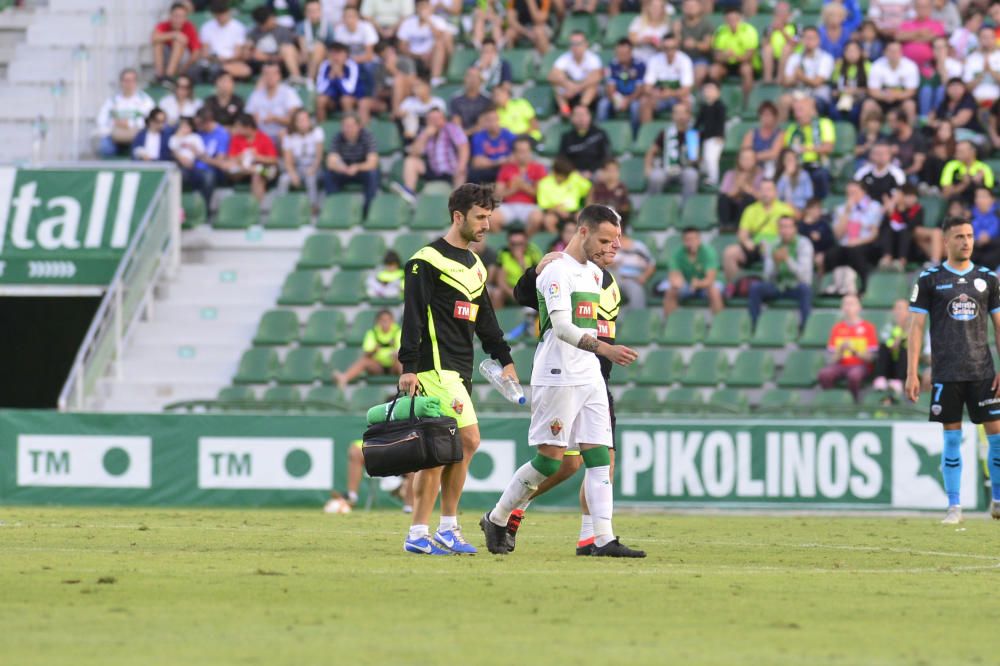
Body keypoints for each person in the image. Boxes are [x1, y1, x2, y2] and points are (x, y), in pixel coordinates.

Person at [480, 204, 644, 558]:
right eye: (604, 239)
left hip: (590, 375)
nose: (609, 248)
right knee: (552, 460)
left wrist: (600, 355)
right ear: (582, 232)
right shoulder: (556, 272)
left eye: (615, 241)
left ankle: (603, 538)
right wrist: (606, 349)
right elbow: (564, 328)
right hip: (559, 374)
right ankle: (498, 517)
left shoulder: (595, 274)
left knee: (599, 457)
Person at [398, 183, 518, 555]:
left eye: (489, 217)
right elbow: (413, 317)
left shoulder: (477, 266)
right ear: (458, 216)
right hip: (434, 368)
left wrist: (507, 360)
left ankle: (426, 533)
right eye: (480, 217)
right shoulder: (426, 261)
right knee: (466, 441)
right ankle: (435, 529)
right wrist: (408, 366)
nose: (487, 224)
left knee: (444, 452)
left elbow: (487, 324)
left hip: (460, 371)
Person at [907, 215, 1000, 524]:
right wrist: (911, 372)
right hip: (946, 372)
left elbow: (999, 328)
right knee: (951, 440)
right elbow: (916, 328)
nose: (966, 241)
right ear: (946, 241)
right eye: (959, 236)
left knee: (997, 439)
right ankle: (954, 507)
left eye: (970, 236)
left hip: (983, 372)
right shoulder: (929, 279)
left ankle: (998, 501)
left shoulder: (988, 279)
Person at [748, 215, 813, 331]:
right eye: (782, 227)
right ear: (778, 229)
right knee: (755, 288)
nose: (785, 230)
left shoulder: (804, 244)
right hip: (777, 285)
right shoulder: (773, 244)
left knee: (805, 289)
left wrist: (787, 259)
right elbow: (767, 276)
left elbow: (804, 277)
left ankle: (805, 328)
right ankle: (754, 327)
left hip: (795, 286)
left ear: (795, 229)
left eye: (788, 227)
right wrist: (776, 264)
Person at [722, 179, 794, 282]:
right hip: (756, 246)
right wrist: (746, 241)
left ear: (775, 192)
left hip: (777, 246)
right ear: (758, 192)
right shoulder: (750, 210)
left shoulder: (785, 209)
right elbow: (742, 233)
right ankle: (735, 287)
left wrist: (774, 244)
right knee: (730, 253)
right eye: (762, 190)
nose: (765, 193)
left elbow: (790, 233)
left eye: (769, 190)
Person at [394, 107, 469, 203]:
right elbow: (414, 152)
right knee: (411, 161)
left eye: (437, 118)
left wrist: (461, 166)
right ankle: (409, 192)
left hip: (451, 170)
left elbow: (463, 147)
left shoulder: (451, 128)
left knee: (462, 171)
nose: (435, 122)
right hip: (434, 170)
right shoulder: (425, 132)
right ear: (427, 121)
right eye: (432, 119)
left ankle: (458, 202)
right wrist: (425, 135)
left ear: (443, 119)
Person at [818, 294, 878, 403]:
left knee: (854, 376)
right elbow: (831, 360)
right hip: (841, 365)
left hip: (861, 365)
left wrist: (854, 351)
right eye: (845, 304)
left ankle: (853, 403)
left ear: (859, 307)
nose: (848, 307)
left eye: (851, 304)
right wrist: (840, 351)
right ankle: (831, 401)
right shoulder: (837, 328)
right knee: (824, 374)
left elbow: (871, 358)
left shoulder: (868, 328)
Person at [661, 226, 724, 317]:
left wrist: (698, 284)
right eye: (688, 240)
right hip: (687, 284)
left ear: (699, 240)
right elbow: (674, 275)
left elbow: (710, 279)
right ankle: (670, 325)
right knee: (671, 291)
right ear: (683, 241)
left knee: (714, 291)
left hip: (706, 285)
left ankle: (720, 324)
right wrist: (678, 282)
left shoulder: (708, 252)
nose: (691, 242)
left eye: (694, 239)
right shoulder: (677, 254)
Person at [325, 113, 379, 216]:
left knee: (372, 174)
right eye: (345, 126)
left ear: (359, 126)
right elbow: (331, 161)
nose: (348, 129)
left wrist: (357, 167)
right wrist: (342, 168)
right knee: (329, 174)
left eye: (351, 125)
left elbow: (372, 162)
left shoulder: (367, 136)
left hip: (361, 169)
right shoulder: (337, 137)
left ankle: (368, 211)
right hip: (344, 169)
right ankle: (335, 209)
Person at [644, 102, 699, 204]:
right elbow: (651, 151)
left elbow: (695, 159)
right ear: (673, 116)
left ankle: (687, 207)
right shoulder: (666, 133)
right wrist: (647, 168)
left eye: (683, 113)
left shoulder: (693, 134)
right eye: (677, 113)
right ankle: (653, 206)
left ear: (688, 115)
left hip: (684, 169)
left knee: (692, 175)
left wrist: (692, 157)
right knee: (655, 177)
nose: (680, 116)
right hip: (665, 168)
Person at [333, 309, 402, 389]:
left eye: (387, 320)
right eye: (382, 320)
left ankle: (406, 385)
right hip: (378, 366)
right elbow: (367, 353)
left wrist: (395, 354)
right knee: (364, 360)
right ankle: (344, 378)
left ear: (392, 320)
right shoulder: (372, 333)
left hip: (394, 365)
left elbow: (401, 351)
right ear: (377, 321)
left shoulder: (398, 332)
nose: (385, 322)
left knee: (401, 360)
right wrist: (374, 350)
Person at [784, 95, 835, 200]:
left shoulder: (824, 124)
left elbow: (828, 147)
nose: (797, 114)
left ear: (811, 111)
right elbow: (787, 151)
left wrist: (806, 149)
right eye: (795, 111)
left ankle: (818, 206)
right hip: (797, 166)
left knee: (819, 175)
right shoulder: (792, 129)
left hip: (818, 165)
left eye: (800, 110)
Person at [96, 68, 156, 157]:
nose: (129, 84)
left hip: (136, 136)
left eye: (132, 80)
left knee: (142, 148)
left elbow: (152, 120)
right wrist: (114, 124)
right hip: (115, 136)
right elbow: (101, 119)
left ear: (136, 82)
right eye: (126, 80)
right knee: (104, 146)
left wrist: (130, 123)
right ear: (121, 82)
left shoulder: (145, 100)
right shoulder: (112, 100)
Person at [639, 31, 693, 125]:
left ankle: (684, 135)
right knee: (645, 102)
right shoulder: (654, 60)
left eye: (672, 48)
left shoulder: (685, 60)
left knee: (686, 102)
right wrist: (655, 93)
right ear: (662, 48)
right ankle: (648, 135)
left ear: (677, 48)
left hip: (677, 98)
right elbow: (647, 87)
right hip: (659, 97)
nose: (669, 51)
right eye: (666, 48)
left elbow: (686, 90)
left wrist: (670, 93)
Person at [224, 113, 279, 203]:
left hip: (262, 171)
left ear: (248, 127)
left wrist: (257, 157)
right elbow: (231, 159)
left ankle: (256, 208)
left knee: (257, 176)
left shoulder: (264, 138)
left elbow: (273, 160)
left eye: (239, 127)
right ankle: (255, 169)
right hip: (242, 171)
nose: (236, 129)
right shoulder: (236, 139)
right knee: (229, 167)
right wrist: (241, 156)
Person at [493, 136, 546, 230]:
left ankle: (524, 243)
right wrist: (513, 189)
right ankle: (505, 243)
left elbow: (540, 194)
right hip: (508, 206)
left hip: (530, 206)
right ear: (514, 153)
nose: (523, 154)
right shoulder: (506, 168)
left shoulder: (539, 168)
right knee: (491, 219)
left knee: (537, 218)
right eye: (520, 151)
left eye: (526, 151)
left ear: (530, 152)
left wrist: (523, 186)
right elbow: (498, 194)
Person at [863, 40, 920, 125]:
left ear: (901, 52)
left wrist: (895, 96)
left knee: (910, 105)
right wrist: (885, 96)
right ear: (885, 52)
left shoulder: (910, 66)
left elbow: (911, 91)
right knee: (868, 105)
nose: (894, 54)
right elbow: (872, 90)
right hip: (881, 99)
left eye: (896, 51)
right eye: (891, 51)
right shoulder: (876, 65)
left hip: (901, 100)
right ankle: (864, 135)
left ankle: (911, 135)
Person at [780, 26, 835, 115]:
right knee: (784, 100)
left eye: (812, 38)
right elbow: (786, 82)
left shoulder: (826, 58)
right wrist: (794, 77)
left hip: (818, 96)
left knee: (807, 104)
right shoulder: (795, 57)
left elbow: (817, 82)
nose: (809, 41)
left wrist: (801, 77)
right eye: (806, 38)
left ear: (818, 40)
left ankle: (813, 128)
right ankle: (782, 128)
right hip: (798, 92)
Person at [548, 31, 603, 117]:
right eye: (573, 44)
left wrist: (577, 88)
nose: (575, 47)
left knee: (592, 87)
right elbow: (551, 76)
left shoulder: (592, 58)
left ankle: (582, 109)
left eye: (578, 43)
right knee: (557, 86)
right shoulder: (565, 58)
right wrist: (568, 85)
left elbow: (597, 76)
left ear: (586, 44)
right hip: (570, 92)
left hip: (586, 94)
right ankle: (565, 111)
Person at [397, 0, 452, 85]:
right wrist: (418, 56)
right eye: (421, 7)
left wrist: (428, 21)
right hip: (413, 57)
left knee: (439, 45)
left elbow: (441, 38)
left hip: (431, 56)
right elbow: (402, 46)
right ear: (416, 8)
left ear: (430, 7)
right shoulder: (408, 22)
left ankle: (435, 78)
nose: (423, 9)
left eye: (426, 6)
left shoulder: (438, 21)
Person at [710, 6, 759, 102]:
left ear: (740, 18)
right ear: (725, 20)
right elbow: (716, 56)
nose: (732, 22)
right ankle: (715, 100)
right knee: (714, 70)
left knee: (746, 69)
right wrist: (725, 56)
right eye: (729, 19)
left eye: (735, 19)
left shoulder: (749, 31)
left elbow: (749, 56)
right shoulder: (720, 31)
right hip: (726, 64)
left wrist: (734, 56)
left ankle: (746, 102)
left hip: (743, 63)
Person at [246, 63, 303, 144]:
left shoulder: (288, 92)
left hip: (281, 133)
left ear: (279, 76)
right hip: (260, 135)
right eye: (266, 74)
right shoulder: (256, 94)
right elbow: (248, 117)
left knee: (284, 135)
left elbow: (294, 119)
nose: (270, 77)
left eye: (273, 74)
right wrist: (253, 120)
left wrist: (275, 118)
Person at [315, 42, 371, 124]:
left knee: (345, 100)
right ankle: (321, 128)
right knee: (320, 100)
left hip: (352, 97)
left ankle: (350, 127)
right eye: (333, 53)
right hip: (332, 98)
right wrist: (331, 77)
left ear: (346, 55)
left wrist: (340, 76)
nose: (335, 56)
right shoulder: (325, 65)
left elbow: (349, 90)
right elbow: (319, 89)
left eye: (338, 53)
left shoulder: (352, 65)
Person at [279, 108, 324, 209]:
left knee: (310, 178)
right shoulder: (289, 136)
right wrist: (293, 174)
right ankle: (281, 207)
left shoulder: (317, 131)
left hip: (314, 166)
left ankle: (313, 207)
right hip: (298, 167)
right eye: (300, 120)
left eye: (305, 119)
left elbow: (319, 157)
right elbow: (288, 161)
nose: (303, 123)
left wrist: (312, 169)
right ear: (295, 123)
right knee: (284, 179)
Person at [197, 0, 251, 81]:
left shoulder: (238, 27)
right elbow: (205, 52)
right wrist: (215, 59)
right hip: (212, 62)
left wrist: (226, 60)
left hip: (231, 62)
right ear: (214, 14)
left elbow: (238, 53)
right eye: (218, 14)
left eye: (223, 14)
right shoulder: (206, 27)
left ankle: (222, 72)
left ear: (228, 12)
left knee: (245, 70)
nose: (221, 17)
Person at [536, 155, 592, 232]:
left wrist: (587, 206)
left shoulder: (574, 177)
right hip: (554, 213)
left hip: (573, 211)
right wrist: (557, 210)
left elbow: (589, 188)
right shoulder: (544, 183)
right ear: (555, 173)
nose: (566, 178)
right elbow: (544, 206)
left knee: (582, 217)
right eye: (563, 176)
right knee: (549, 220)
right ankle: (558, 241)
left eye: (567, 176)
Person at [598, 39, 645, 127]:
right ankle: (602, 131)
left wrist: (627, 100)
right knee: (602, 105)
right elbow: (610, 88)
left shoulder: (639, 65)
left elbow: (639, 89)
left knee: (635, 107)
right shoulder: (612, 64)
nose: (621, 56)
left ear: (630, 52)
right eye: (619, 53)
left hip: (634, 98)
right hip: (617, 97)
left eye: (624, 53)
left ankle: (635, 136)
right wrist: (618, 101)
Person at [247, 4, 302, 80]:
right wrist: (250, 50)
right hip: (262, 66)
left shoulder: (283, 30)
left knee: (287, 49)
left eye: (273, 18)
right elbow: (250, 54)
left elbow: (288, 53)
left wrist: (268, 57)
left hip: (282, 65)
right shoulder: (254, 33)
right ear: (262, 24)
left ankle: (297, 78)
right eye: (270, 20)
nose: (273, 21)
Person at [871, 298, 910, 404]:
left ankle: (898, 380)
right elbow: (884, 338)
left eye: (902, 308)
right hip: (890, 361)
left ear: (908, 311)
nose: (898, 311)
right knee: (883, 347)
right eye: (896, 308)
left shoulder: (912, 327)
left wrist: (901, 340)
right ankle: (881, 378)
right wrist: (892, 344)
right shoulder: (889, 326)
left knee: (905, 349)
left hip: (907, 365)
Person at [557, 104, 612, 178]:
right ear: (572, 118)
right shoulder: (566, 137)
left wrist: (591, 171)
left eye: (584, 114)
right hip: (572, 173)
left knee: (602, 175)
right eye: (578, 115)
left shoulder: (600, 134)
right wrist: (573, 172)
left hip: (595, 172)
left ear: (590, 116)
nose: (581, 118)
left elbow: (605, 156)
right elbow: (562, 158)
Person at [152, 2, 202, 82]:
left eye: (181, 17)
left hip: (184, 61)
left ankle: (169, 76)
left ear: (185, 18)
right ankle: (159, 75)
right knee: (158, 43)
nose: (178, 20)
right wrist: (174, 34)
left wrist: (185, 67)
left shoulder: (189, 27)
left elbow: (196, 52)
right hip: (167, 58)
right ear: (170, 16)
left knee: (178, 42)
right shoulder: (164, 25)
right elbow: (154, 38)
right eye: (176, 16)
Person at [493, 227, 542, 308]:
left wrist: (521, 262)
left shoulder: (532, 252)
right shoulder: (504, 253)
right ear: (509, 243)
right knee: (497, 293)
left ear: (525, 242)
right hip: (510, 289)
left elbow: (535, 278)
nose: (517, 247)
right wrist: (513, 293)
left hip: (528, 287)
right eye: (513, 244)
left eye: (520, 244)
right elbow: (500, 281)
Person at [879, 183, 924, 270]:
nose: (910, 199)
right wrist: (890, 212)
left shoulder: (918, 209)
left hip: (910, 245)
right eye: (907, 196)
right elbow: (884, 225)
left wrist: (902, 211)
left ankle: (901, 261)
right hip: (892, 244)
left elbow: (912, 226)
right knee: (887, 230)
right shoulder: (894, 209)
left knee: (905, 232)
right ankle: (886, 258)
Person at [168, 116, 212, 205]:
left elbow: (202, 154)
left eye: (187, 126)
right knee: (180, 175)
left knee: (208, 177)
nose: (185, 129)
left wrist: (193, 149)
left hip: (195, 166)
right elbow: (172, 151)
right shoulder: (174, 138)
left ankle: (204, 205)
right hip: (179, 166)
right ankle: (177, 204)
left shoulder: (195, 137)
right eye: (182, 127)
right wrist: (179, 137)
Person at [468, 106, 516, 184]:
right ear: (484, 122)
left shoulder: (508, 135)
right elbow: (477, 162)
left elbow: (515, 158)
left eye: (495, 119)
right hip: (489, 170)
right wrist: (499, 161)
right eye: (489, 120)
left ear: (499, 120)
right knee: (472, 174)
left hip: (506, 169)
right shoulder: (479, 136)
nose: (492, 123)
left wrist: (488, 161)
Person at [718, 147, 762, 230]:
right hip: (733, 208)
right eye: (744, 158)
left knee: (748, 198)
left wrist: (745, 187)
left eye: (749, 158)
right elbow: (725, 194)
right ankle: (725, 226)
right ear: (738, 160)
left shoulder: (760, 175)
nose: (746, 161)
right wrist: (737, 186)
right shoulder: (730, 174)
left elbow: (761, 197)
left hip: (750, 209)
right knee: (723, 198)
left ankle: (740, 226)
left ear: (755, 160)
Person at [941, 139, 995, 206]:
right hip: (956, 205)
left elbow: (989, 196)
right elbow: (946, 195)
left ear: (973, 152)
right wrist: (964, 184)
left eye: (961, 151)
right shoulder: (951, 166)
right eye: (957, 151)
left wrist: (979, 184)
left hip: (976, 206)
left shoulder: (984, 168)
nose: (957, 154)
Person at [674, 0, 714, 85]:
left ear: (699, 7)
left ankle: (694, 96)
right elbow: (673, 46)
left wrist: (695, 44)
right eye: (687, 6)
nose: (690, 9)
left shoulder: (706, 24)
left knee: (700, 72)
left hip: (700, 58)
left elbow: (707, 46)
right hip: (681, 58)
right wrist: (676, 33)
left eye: (693, 6)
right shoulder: (678, 24)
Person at [331, 5, 377, 77]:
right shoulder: (339, 30)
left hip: (364, 61)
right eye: (347, 16)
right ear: (343, 18)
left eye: (352, 16)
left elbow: (369, 56)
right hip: (346, 61)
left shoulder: (367, 28)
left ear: (357, 17)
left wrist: (350, 60)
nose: (349, 19)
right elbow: (337, 52)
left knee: (368, 66)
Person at [832, 40, 871, 125]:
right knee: (833, 111)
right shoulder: (839, 65)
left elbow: (870, 89)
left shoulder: (867, 66)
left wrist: (855, 91)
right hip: (841, 98)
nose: (851, 54)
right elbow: (834, 85)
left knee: (855, 112)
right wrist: (838, 92)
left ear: (860, 52)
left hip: (858, 99)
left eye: (854, 51)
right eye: (849, 51)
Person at [695, 79, 726, 187]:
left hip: (715, 138)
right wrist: (694, 131)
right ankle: (706, 175)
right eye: (706, 89)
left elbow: (721, 122)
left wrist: (720, 136)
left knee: (711, 158)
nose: (708, 92)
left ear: (718, 92)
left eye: (712, 89)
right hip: (705, 137)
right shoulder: (704, 107)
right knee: (705, 159)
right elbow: (698, 122)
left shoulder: (720, 106)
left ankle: (714, 178)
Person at [854, 140, 906, 204]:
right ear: (871, 155)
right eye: (877, 153)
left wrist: (888, 206)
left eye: (884, 153)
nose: (881, 156)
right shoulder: (862, 172)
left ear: (890, 155)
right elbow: (855, 191)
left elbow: (900, 193)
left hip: (889, 209)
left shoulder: (897, 173)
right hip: (866, 209)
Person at [740, 100, 782, 178]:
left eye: (768, 115)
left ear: (775, 117)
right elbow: (744, 153)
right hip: (752, 167)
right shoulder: (751, 133)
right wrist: (752, 161)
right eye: (763, 115)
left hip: (771, 168)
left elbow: (774, 154)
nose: (765, 118)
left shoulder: (779, 134)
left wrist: (753, 157)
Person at [962, 26, 1000, 112]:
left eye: (991, 37)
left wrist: (990, 71)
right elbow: (967, 87)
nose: (988, 40)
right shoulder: (971, 59)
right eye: (985, 37)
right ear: (979, 39)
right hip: (975, 102)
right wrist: (982, 74)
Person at [298, 0, 337, 83]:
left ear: (321, 11)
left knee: (319, 46)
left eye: (315, 10)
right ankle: (297, 80)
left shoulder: (328, 26)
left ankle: (310, 80)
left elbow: (332, 47)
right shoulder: (302, 26)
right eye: (310, 11)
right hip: (307, 55)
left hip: (324, 56)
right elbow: (303, 47)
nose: (313, 13)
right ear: (305, 12)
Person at [759, 1, 796, 85]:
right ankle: (767, 79)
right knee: (767, 48)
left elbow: (794, 43)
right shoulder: (769, 28)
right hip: (773, 57)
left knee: (787, 48)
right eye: (778, 12)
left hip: (790, 57)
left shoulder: (795, 27)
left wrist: (782, 30)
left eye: (783, 12)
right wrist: (771, 31)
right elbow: (763, 45)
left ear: (789, 14)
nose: (780, 15)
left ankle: (780, 78)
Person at [888, 108, 926, 185]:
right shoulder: (891, 138)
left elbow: (917, 166)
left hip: (910, 174)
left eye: (892, 121)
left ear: (901, 122)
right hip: (892, 172)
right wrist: (889, 153)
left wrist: (901, 173)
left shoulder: (918, 138)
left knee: (913, 180)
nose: (889, 124)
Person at [587, 159, 631, 225]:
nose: (611, 173)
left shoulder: (622, 188)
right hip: (598, 220)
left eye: (614, 170)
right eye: (609, 170)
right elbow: (589, 204)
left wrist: (614, 209)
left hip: (616, 221)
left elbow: (626, 207)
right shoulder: (596, 187)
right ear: (604, 171)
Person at [449, 69, 492, 135]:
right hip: (461, 136)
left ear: (481, 81)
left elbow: (483, 124)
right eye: (470, 76)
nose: (473, 80)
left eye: (476, 77)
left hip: (481, 136)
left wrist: (468, 132)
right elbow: (456, 124)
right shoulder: (456, 99)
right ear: (464, 79)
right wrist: (464, 135)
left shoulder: (487, 99)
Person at [775, 148, 814, 217]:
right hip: (784, 209)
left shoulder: (804, 175)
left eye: (793, 159)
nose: (791, 162)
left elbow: (809, 195)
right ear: (783, 161)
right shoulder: (780, 176)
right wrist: (786, 176)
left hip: (801, 208)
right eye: (788, 159)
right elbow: (777, 196)